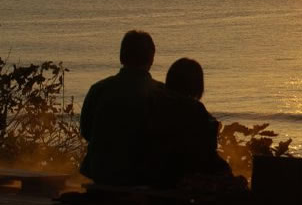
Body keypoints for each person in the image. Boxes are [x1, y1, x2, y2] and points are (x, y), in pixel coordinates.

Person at [80, 30, 162, 185]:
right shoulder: (162, 93)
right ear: (151, 58)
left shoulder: (99, 89)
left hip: (101, 171)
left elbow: (86, 131)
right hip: (142, 175)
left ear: (121, 57)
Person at [144, 58, 232, 189]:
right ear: (197, 85)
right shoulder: (195, 111)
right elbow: (204, 155)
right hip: (178, 182)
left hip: (152, 176)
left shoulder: (152, 103)